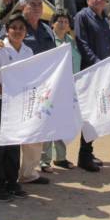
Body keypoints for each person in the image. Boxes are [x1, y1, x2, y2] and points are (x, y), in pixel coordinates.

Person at [0, 12, 32, 202]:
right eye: (14, 28)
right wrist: (7, 94)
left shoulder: (28, 52)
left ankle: (12, 181)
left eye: (21, 28)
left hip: (18, 104)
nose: (17, 31)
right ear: (7, 30)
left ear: (26, 31)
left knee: (13, 143)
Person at [74, 0, 110, 172]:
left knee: (98, 112)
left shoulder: (104, 18)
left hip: (102, 71)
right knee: (90, 114)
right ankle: (83, 156)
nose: (99, 0)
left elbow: (106, 41)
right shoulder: (82, 16)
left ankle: (88, 151)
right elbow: (82, 43)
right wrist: (97, 63)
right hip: (90, 71)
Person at [18, 0, 56, 183]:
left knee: (36, 131)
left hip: (42, 89)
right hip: (20, 89)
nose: (36, 7)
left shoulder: (46, 29)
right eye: (32, 3)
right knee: (18, 132)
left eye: (39, 4)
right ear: (23, 6)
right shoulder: (14, 26)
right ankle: (11, 172)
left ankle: (28, 173)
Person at [41, 11, 80, 171]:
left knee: (62, 123)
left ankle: (61, 157)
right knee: (49, 123)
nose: (63, 24)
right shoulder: (49, 41)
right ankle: (45, 160)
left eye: (66, 21)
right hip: (52, 88)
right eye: (60, 21)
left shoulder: (71, 41)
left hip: (68, 87)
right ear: (53, 24)